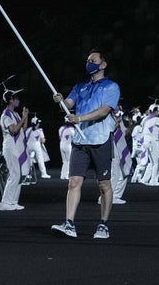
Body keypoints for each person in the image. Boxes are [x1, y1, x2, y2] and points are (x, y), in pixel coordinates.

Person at [51, 49, 120, 239]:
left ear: (103, 65)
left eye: (93, 60)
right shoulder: (80, 86)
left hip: (101, 139)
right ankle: (69, 223)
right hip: (80, 141)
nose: (88, 62)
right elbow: (68, 104)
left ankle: (103, 225)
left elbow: (104, 111)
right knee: (73, 182)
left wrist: (79, 118)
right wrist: (60, 101)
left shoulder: (111, 87)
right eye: (88, 60)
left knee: (104, 185)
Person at [0, 86, 30, 211]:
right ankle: (5, 202)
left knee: (21, 174)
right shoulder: (5, 115)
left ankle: (13, 202)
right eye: (16, 98)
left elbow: (23, 129)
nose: (18, 100)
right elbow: (14, 130)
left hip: (19, 147)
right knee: (14, 174)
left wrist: (24, 116)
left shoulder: (15, 113)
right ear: (10, 100)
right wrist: (23, 119)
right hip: (11, 147)